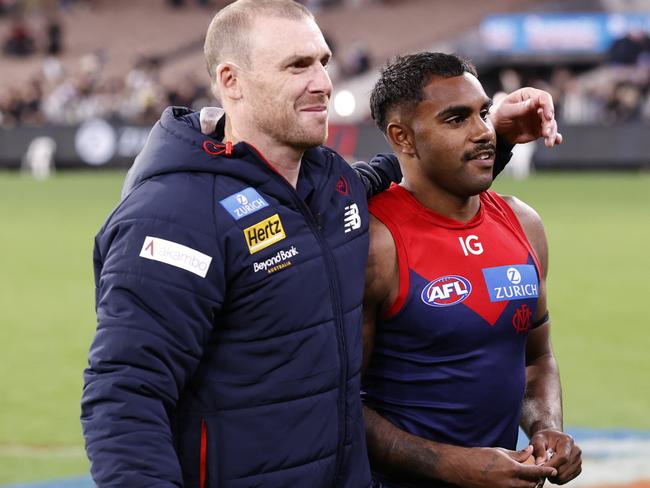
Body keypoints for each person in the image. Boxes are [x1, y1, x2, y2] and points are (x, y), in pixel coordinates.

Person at [81, 1, 562, 486]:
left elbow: (417, 172)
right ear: (231, 81)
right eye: (297, 65)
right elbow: (126, 392)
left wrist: (491, 132)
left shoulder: (329, 184)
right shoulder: (175, 214)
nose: (322, 83)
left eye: (323, 62)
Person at [361, 52, 582, 488]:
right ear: (402, 138)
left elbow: (536, 359)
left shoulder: (524, 224)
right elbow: (337, 401)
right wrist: (450, 464)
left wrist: (545, 428)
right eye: (456, 119)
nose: (484, 131)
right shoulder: (375, 243)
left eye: (483, 112)